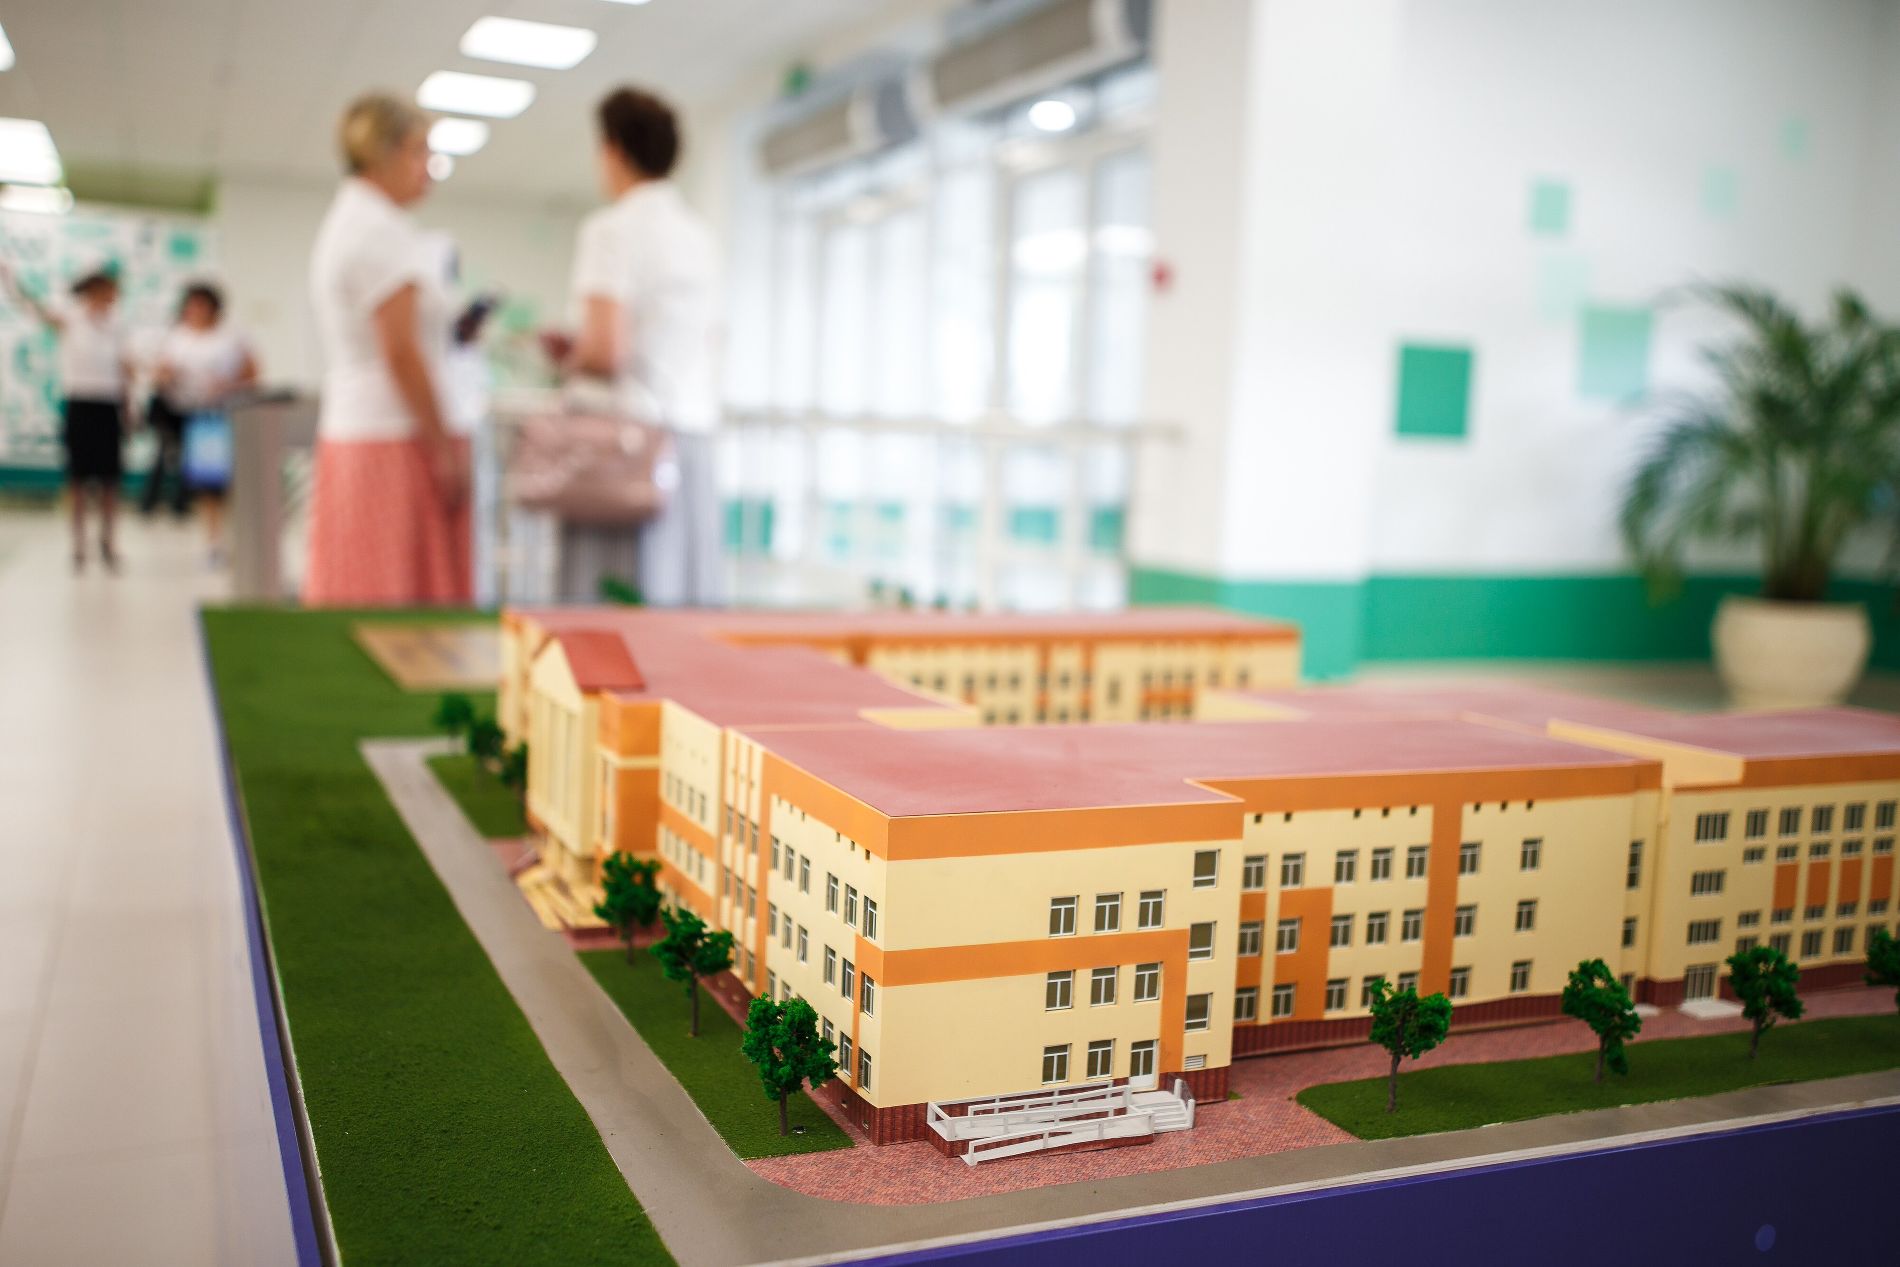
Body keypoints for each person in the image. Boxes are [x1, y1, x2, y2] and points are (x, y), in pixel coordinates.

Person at [560, 86, 724, 606]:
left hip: (622, 446)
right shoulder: (700, 237)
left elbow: (605, 351)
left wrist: (568, 354)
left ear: (612, 151)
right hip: (691, 438)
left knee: (611, 603)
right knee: (678, 600)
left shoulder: (610, 230)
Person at [304, 92, 469, 607]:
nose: (429, 168)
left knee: (368, 588)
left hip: (366, 430)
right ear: (386, 152)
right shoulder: (379, 230)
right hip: (392, 437)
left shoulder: (358, 221)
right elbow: (400, 351)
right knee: (392, 599)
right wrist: (443, 448)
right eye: (421, 152)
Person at [1, 265, 132, 571]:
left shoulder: (117, 324)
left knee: (110, 481)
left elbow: (124, 366)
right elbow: (34, 308)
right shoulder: (72, 317)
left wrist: (128, 405)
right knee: (77, 479)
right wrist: (11, 282)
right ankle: (79, 544)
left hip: (108, 404)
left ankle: (108, 541)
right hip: (80, 403)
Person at [152, 282, 258, 563]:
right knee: (206, 483)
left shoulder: (232, 336)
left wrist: (229, 385)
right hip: (192, 415)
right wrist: (167, 377)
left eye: (201, 304)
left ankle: (239, 537)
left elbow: (253, 374)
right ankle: (213, 541)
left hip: (226, 414)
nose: (195, 310)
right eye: (191, 305)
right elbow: (160, 374)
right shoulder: (177, 337)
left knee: (230, 481)